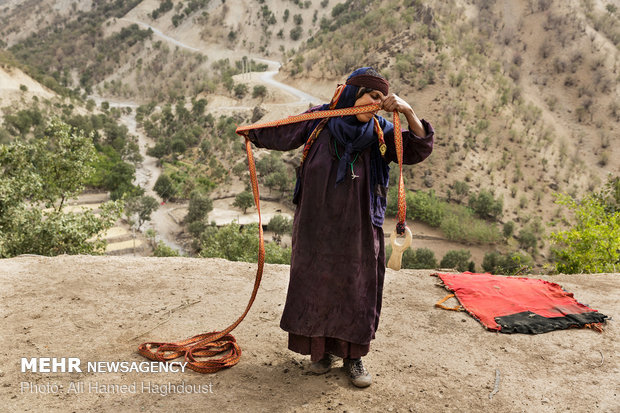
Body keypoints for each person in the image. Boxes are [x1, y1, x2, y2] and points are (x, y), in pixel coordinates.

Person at [245, 67, 434, 387]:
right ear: (352, 94)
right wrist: (251, 133)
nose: (376, 103)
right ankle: (321, 354)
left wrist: (409, 111)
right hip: (316, 224)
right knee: (315, 284)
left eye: (380, 98)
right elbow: (285, 132)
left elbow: (416, 148)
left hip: (359, 227)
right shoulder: (320, 121)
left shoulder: (381, 132)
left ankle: (354, 359)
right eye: (371, 96)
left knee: (356, 288)